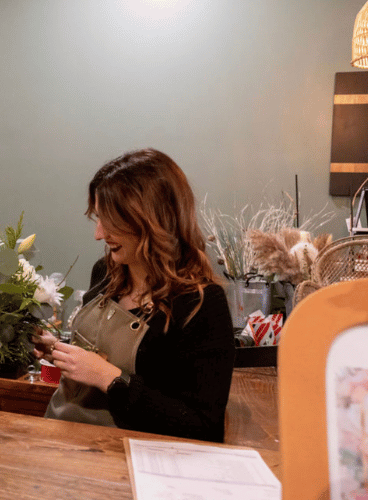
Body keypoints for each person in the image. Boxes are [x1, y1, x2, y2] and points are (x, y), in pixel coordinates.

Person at [35, 148, 235, 443]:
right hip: (61, 440)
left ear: (152, 220)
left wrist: (110, 379)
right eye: (98, 219)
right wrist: (59, 349)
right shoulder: (105, 272)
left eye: (111, 221)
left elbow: (201, 425)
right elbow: (99, 356)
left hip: (129, 462)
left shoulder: (201, 304)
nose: (99, 235)